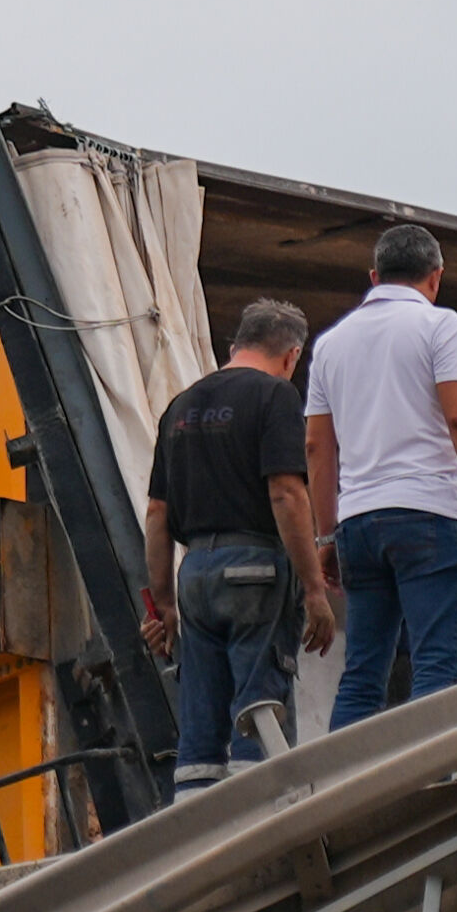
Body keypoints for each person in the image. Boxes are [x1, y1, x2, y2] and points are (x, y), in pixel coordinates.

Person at [299, 221, 457, 725]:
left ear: (374, 276)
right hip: (429, 516)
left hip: (358, 524)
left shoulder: (330, 344)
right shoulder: (442, 326)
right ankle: (429, 792)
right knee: (437, 668)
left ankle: (341, 793)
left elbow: (316, 446)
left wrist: (325, 534)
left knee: (363, 674)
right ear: (435, 278)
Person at [134, 296, 325, 779]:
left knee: (200, 726)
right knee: (260, 714)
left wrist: (163, 606)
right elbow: (286, 493)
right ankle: (263, 833)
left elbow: (157, 514)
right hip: (256, 572)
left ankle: (200, 832)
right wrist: (316, 588)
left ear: (235, 344)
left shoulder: (179, 407)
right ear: (291, 356)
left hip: (194, 575)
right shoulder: (274, 396)